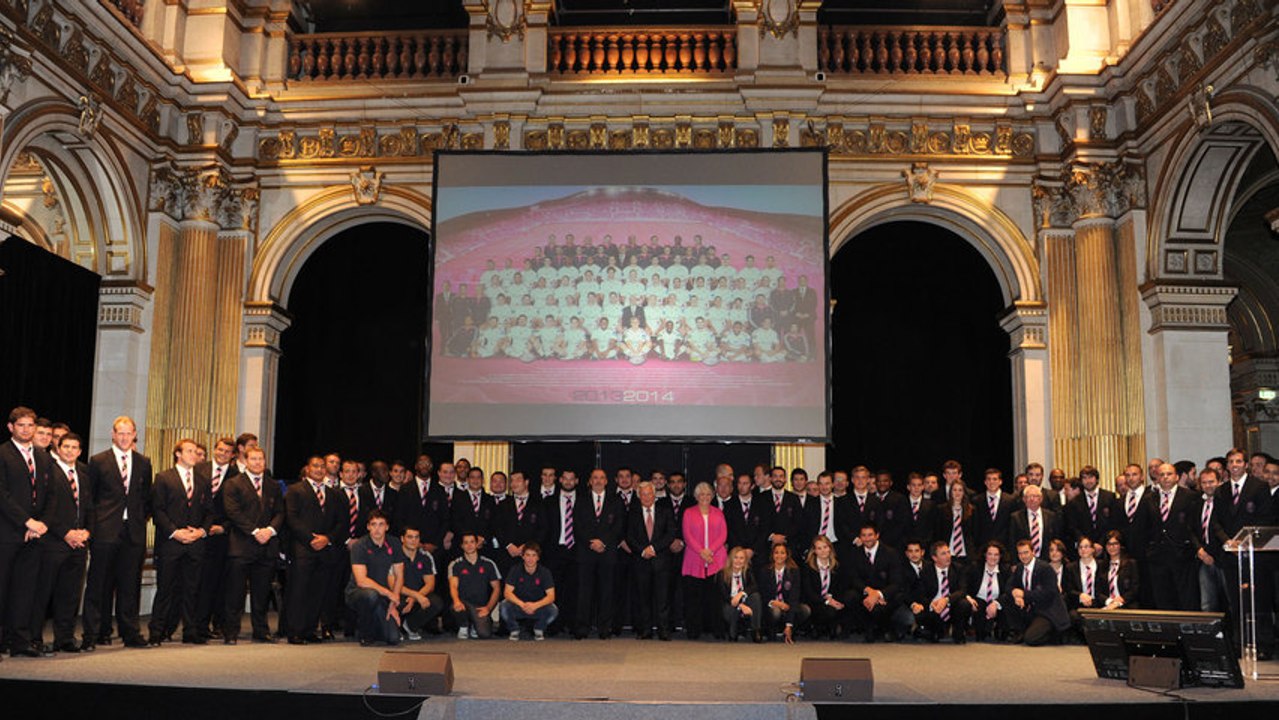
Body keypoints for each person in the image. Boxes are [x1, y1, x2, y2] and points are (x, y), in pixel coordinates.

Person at [81, 415, 152, 651]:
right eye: (119, 433)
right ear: (113, 434)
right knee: (98, 584)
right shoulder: (98, 461)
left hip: (133, 533)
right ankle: (92, 633)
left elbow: (146, 499)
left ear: (135, 435)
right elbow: (90, 499)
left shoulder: (144, 462)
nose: (124, 437)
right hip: (104, 531)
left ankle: (130, 633)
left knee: (130, 585)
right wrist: (92, 528)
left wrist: (139, 520)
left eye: (128, 432)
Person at [148, 439, 212, 645]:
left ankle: (190, 631)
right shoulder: (164, 477)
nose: (194, 455)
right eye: (190, 451)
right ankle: (156, 631)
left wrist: (201, 531)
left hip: (195, 543)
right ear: (178, 454)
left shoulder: (202, 480)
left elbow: (210, 512)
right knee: (165, 589)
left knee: (192, 589)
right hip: (171, 543)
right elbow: (157, 511)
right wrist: (175, 532)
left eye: (196, 451)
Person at [32, 431, 91, 654]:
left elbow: (90, 509)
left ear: (80, 451)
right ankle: (35, 638)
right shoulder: (50, 472)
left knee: (70, 594)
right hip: (54, 543)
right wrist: (65, 533)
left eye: (74, 448)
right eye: (66, 447)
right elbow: (45, 509)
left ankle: (64, 638)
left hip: (78, 545)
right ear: (58, 448)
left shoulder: (84, 475)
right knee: (43, 593)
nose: (70, 451)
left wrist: (86, 532)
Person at [1, 407, 52, 657]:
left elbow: (51, 495)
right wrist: (26, 522)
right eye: (21, 425)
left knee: (25, 590)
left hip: (35, 535)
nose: (26, 430)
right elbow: (3, 495)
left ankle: (19, 642)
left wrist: (40, 524)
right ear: (11, 427)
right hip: (7, 533)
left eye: (30, 425)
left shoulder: (43, 457)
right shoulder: (2, 453)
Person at [221, 446, 282, 644]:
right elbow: (233, 512)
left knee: (262, 594)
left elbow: (281, 512)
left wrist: (270, 531)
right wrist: (256, 531)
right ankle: (231, 633)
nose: (258, 463)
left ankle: (261, 631)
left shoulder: (273, 485)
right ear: (245, 461)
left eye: (261, 459)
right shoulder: (233, 484)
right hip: (241, 546)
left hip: (267, 547)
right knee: (235, 594)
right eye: (253, 459)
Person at [284, 455, 346, 644]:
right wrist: (311, 539)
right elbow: (292, 519)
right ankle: (295, 632)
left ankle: (310, 630)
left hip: (326, 550)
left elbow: (341, 522)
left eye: (322, 467)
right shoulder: (295, 490)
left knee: (318, 593)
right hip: (303, 549)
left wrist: (327, 539)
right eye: (315, 466)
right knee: (299, 592)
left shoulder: (334, 493)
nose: (319, 469)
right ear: (308, 469)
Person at [192, 437, 235, 641]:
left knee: (216, 583)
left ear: (232, 455)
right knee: (198, 582)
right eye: (220, 449)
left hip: (221, 537)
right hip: (199, 533)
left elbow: (237, 508)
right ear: (214, 450)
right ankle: (198, 625)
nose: (222, 453)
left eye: (227, 451)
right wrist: (202, 527)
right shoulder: (199, 469)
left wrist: (223, 527)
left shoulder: (237, 476)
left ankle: (215, 624)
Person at [574, 468, 624, 639]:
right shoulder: (581, 500)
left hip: (607, 553)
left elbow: (619, 526)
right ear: (590, 481)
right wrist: (591, 542)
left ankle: (604, 629)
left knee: (606, 593)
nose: (598, 481)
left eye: (602, 478)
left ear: (607, 481)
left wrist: (603, 542)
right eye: (595, 477)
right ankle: (582, 628)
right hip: (585, 553)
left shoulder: (616, 501)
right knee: (584, 593)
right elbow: (577, 526)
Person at [1145, 462, 1199, 611]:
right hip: (1157, 557)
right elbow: (1144, 527)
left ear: (1176, 477)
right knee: (1163, 599)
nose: (1165, 477)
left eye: (1169, 474)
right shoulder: (1149, 498)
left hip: (1182, 556)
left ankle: (1188, 631)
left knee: (1186, 598)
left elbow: (1194, 526)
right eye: (1161, 475)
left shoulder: (1190, 497)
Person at [346, 510, 404, 646]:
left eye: (381, 524)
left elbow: (399, 575)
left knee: (393, 638)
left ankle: (377, 628)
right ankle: (365, 633)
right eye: (373, 525)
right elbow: (361, 581)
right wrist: (389, 594)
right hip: (358, 593)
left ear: (387, 527)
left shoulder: (394, 543)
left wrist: (393, 602)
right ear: (368, 527)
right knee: (371, 595)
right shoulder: (360, 546)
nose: (377, 529)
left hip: (384, 595)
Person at [628, 481, 675, 640]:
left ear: (654, 495)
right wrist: (642, 550)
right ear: (639, 496)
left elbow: (670, 534)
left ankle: (663, 630)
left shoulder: (665, 511)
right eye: (643, 494)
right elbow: (629, 536)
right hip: (641, 561)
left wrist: (653, 548)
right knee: (643, 598)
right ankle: (646, 630)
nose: (646, 497)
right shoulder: (632, 513)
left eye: (649, 493)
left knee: (663, 598)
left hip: (661, 560)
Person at [682, 481, 728, 639]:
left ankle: (716, 630)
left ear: (712, 496)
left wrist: (711, 551)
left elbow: (723, 534)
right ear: (696, 496)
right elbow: (687, 535)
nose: (705, 497)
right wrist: (702, 552)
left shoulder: (718, 512)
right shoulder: (688, 513)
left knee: (715, 598)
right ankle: (694, 631)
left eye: (708, 494)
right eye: (701, 494)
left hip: (716, 559)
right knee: (694, 598)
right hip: (695, 558)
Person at [1005, 539, 1070, 646]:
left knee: (1031, 639)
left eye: (1026, 552)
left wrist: (1023, 594)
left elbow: (1048, 593)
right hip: (1031, 609)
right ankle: (1018, 631)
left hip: (1046, 611)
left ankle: (1054, 633)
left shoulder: (1045, 568)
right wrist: (1015, 593)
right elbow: (1008, 586)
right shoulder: (1020, 567)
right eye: (1020, 553)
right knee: (1006, 598)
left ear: (1033, 552)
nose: (1023, 556)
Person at [847, 523, 905, 643]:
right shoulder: (854, 553)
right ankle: (867, 627)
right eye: (863, 535)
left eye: (870, 535)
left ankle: (884, 628)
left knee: (898, 597)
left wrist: (878, 594)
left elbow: (897, 581)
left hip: (885, 594)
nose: (867, 538)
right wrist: (869, 592)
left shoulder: (891, 553)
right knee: (850, 596)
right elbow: (853, 578)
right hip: (865, 593)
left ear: (877, 535)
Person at [911, 541, 971, 644]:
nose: (948, 556)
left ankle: (958, 633)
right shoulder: (925, 571)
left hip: (951, 605)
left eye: (948, 552)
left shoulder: (958, 568)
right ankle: (932, 631)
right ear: (934, 558)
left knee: (964, 604)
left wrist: (947, 600)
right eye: (943, 554)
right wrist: (932, 604)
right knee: (933, 633)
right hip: (934, 607)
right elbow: (920, 594)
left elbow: (962, 590)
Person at [448, 532, 502, 639]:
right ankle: (463, 626)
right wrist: (456, 601)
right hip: (464, 605)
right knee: (456, 607)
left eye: (472, 542)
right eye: (466, 543)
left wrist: (488, 608)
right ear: (462, 546)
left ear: (477, 544)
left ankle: (474, 625)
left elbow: (497, 588)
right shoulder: (455, 564)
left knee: (485, 634)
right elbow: (453, 586)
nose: (469, 545)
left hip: (480, 607)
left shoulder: (489, 564)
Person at [500, 543, 558, 641]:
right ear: (522, 556)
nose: (530, 559)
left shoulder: (545, 572)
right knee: (503, 606)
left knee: (553, 610)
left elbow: (551, 596)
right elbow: (507, 593)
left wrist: (535, 605)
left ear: (538, 558)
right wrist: (522, 605)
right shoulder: (515, 570)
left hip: (537, 607)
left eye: (533, 555)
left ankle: (539, 629)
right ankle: (514, 630)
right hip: (519, 605)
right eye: (527, 555)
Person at [493, 471, 546, 574]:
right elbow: (497, 527)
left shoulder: (539, 504)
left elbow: (543, 528)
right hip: (508, 555)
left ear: (526, 482)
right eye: (512, 480)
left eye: (518, 480)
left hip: (530, 555)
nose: (514, 483)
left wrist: (528, 546)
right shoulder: (503, 504)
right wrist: (508, 545)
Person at [398, 524, 444, 639]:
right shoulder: (394, 556)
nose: (413, 541)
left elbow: (430, 584)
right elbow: (393, 584)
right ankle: (396, 627)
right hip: (400, 594)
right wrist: (414, 596)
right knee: (396, 603)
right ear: (402, 539)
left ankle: (410, 626)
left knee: (436, 602)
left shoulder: (426, 556)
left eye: (416, 537)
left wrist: (415, 597)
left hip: (419, 594)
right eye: (410, 537)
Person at [802, 534, 850, 638]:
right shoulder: (807, 567)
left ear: (830, 548)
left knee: (847, 600)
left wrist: (832, 598)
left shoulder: (837, 566)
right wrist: (827, 601)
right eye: (819, 548)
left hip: (832, 599)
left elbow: (841, 586)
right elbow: (808, 592)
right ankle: (816, 627)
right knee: (827, 611)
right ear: (814, 551)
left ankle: (835, 627)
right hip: (814, 601)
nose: (823, 551)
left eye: (825, 547)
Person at [760, 543, 808, 643]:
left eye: (782, 553)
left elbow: (794, 597)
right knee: (776, 612)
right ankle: (773, 631)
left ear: (787, 555)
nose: (779, 556)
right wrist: (774, 602)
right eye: (776, 553)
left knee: (805, 610)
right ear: (772, 555)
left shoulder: (794, 571)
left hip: (788, 605)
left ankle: (789, 629)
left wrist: (789, 624)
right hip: (772, 606)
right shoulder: (765, 571)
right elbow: (763, 594)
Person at [717, 546, 763, 642]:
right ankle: (732, 631)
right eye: (736, 557)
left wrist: (741, 593)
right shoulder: (722, 574)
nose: (738, 561)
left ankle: (756, 630)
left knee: (756, 597)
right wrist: (741, 606)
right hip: (730, 604)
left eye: (741, 558)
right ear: (730, 559)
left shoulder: (748, 571)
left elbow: (754, 586)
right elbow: (724, 596)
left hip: (743, 600)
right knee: (731, 607)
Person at [966, 540, 1008, 642]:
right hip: (979, 603)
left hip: (997, 604)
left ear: (1000, 556)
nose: (992, 557)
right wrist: (969, 598)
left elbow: (1008, 591)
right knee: (980, 636)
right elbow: (965, 586)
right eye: (990, 554)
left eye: (996, 555)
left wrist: (996, 603)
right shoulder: (975, 568)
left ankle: (1000, 628)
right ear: (985, 555)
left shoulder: (1005, 570)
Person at [1063, 536, 1105, 639]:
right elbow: (1068, 588)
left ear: (1092, 549)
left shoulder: (1103, 565)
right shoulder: (1070, 567)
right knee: (1074, 616)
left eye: (1086, 547)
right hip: (1079, 604)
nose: (1083, 550)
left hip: (1098, 602)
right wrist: (1081, 595)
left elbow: (1105, 587)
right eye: (1080, 547)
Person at [1008, 485, 1061, 562]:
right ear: (1024, 499)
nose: (1032, 499)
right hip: (1023, 561)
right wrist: (1014, 562)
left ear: (1041, 499)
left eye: (1035, 496)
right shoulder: (1016, 517)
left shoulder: (1051, 516)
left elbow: (1055, 538)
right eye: (1028, 496)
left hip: (1046, 560)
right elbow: (1012, 541)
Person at [936, 477, 975, 565]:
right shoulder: (942, 510)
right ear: (950, 492)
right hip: (948, 553)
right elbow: (938, 532)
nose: (957, 493)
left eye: (960, 490)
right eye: (954, 490)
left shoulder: (972, 510)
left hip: (966, 554)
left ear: (964, 493)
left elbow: (975, 533)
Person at [1100, 530, 1139, 610]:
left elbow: (1135, 589)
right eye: (1109, 544)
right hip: (1108, 605)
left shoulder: (1130, 564)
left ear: (1121, 545)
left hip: (1126, 605)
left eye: (1115, 544)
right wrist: (1110, 601)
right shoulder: (1102, 565)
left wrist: (1119, 601)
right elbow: (1098, 591)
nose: (1112, 547)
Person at [975, 468, 1013, 548]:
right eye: (989, 479)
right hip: (983, 548)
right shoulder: (976, 501)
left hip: (1004, 547)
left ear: (1000, 482)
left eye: (995, 479)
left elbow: (1012, 526)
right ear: (985, 482)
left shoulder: (1010, 500)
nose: (991, 482)